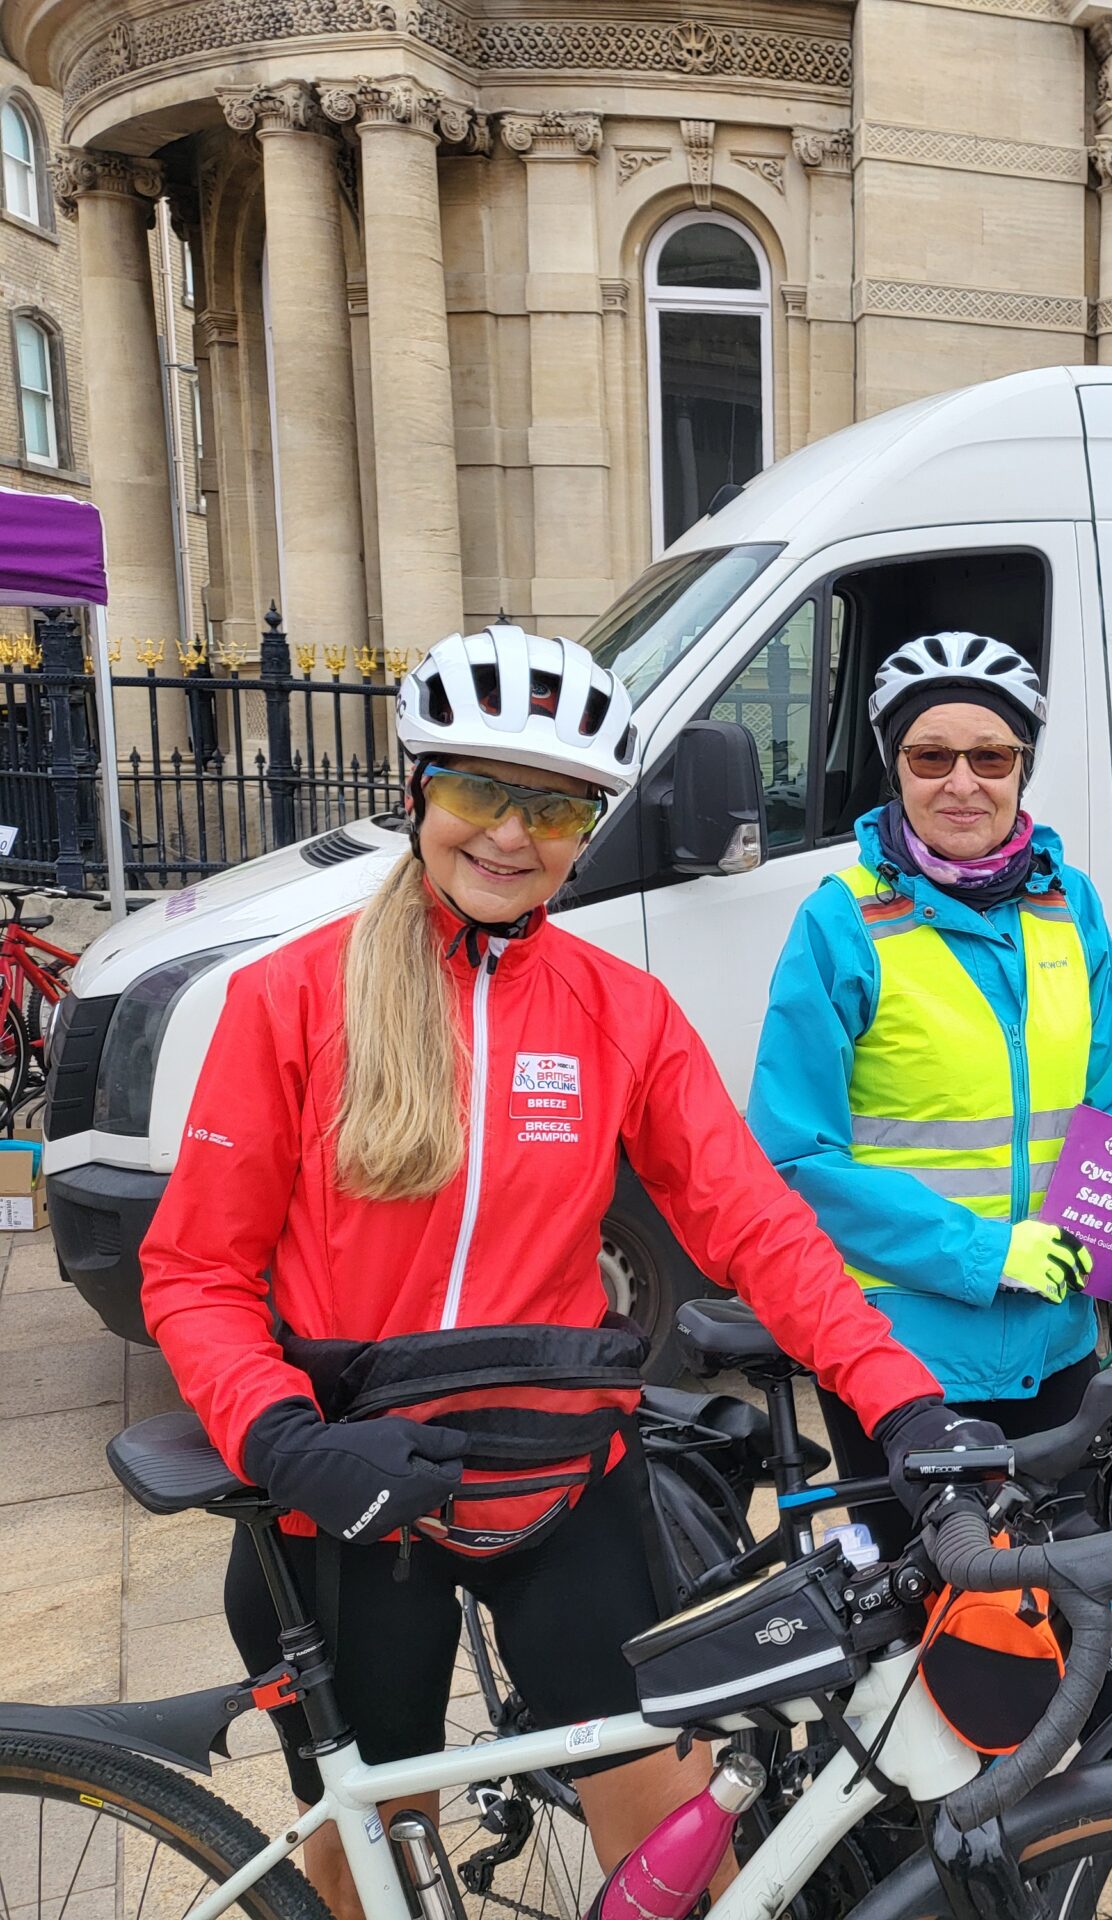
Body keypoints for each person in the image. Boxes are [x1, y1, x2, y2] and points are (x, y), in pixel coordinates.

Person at [139, 627, 958, 1920]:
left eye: (559, 805)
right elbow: (192, 1273)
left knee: (680, 1860)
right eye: (481, 792)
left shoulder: (619, 1012)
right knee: (369, 1870)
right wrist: (285, 1440)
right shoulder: (289, 1003)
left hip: (562, 1481)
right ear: (419, 795)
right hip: (353, 1501)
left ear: (590, 827)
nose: (513, 836)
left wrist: (903, 1399)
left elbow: (759, 1228)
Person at [749, 631, 1112, 1532]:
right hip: (902, 1357)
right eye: (931, 755)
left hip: (1062, 1339)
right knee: (945, 1640)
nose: (962, 782)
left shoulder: (1068, 904)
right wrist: (986, 1253)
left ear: (1022, 768)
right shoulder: (842, 923)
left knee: (1079, 1614)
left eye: (991, 755)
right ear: (895, 768)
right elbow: (794, 1158)